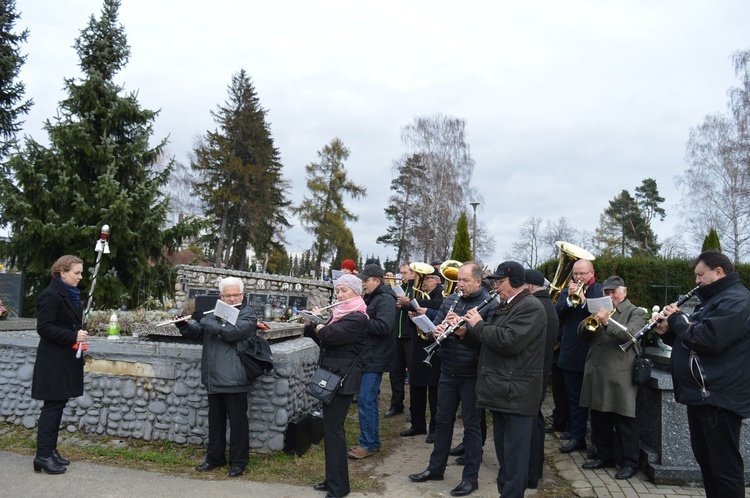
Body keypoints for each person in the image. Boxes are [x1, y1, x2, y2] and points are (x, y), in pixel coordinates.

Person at [653, 251, 750, 498]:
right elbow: (691, 340)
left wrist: (677, 319)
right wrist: (667, 331)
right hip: (703, 394)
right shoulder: (715, 299)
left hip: (719, 396)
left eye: (700, 274)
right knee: (707, 463)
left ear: (718, 272)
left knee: (724, 468)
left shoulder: (736, 300)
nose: (696, 281)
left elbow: (709, 339)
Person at [408, 261, 497, 497]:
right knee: (442, 421)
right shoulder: (450, 300)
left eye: (465, 280)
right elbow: (435, 325)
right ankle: (435, 468)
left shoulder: (489, 304)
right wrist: (435, 330)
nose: (460, 285)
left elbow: (488, 342)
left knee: (472, 426)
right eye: (459, 280)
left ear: (478, 281)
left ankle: (471, 479)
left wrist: (464, 332)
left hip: (472, 373)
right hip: (447, 370)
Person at [459, 261, 547, 498]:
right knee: (505, 457)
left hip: (517, 393)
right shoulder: (506, 305)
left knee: (515, 459)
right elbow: (489, 342)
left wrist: (478, 325)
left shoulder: (531, 307)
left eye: (501, 282)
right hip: (502, 391)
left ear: (517, 283)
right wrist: (465, 333)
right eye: (495, 282)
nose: (496, 286)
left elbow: (509, 341)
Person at [176, 276, 257, 477]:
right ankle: (215, 458)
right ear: (221, 296)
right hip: (213, 377)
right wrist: (183, 325)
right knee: (215, 422)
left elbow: (230, 333)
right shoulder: (215, 314)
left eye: (235, 294)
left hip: (235, 377)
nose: (232, 298)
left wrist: (203, 319)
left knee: (238, 423)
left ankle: (238, 462)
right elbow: (198, 333)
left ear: (243, 295)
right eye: (227, 295)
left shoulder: (248, 314)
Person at [578, 276, 646, 480]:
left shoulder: (636, 312)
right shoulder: (600, 310)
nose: (610, 296)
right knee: (599, 418)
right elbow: (581, 333)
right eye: (606, 292)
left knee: (624, 420)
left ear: (623, 292)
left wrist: (608, 322)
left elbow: (632, 335)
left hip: (620, 375)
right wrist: (591, 320)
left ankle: (630, 462)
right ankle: (603, 456)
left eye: (613, 292)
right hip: (597, 372)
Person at [305, 274, 367, 498]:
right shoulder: (339, 315)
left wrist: (320, 323)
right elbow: (323, 340)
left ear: (356, 293)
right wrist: (312, 324)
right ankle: (333, 480)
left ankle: (338, 488)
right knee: (331, 430)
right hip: (331, 375)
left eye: (344, 291)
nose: (339, 295)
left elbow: (330, 336)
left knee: (333, 431)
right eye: (337, 291)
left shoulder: (358, 317)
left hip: (342, 379)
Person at [31, 255, 89, 474]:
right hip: (53, 360)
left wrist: (77, 334)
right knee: (52, 408)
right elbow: (44, 328)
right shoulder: (50, 295)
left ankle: (50, 451)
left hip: (64, 359)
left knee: (58, 406)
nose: (80, 277)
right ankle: (43, 457)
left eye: (81, 273)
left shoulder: (69, 294)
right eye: (77, 273)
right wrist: (73, 335)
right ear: (63, 272)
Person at [348, 264, 397, 460]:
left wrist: (360, 318)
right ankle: (372, 441)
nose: (363, 284)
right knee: (368, 400)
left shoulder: (385, 299)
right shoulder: (373, 297)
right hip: (369, 355)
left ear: (377, 280)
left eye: (365, 281)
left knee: (365, 400)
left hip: (376, 356)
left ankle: (367, 443)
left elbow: (383, 326)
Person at [555, 258, 602, 453]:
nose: (578, 277)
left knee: (594, 401)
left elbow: (602, 314)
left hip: (591, 353)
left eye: (582, 273)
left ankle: (597, 443)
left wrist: (583, 302)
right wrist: (568, 299)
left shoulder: (598, 290)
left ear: (592, 273)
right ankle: (577, 436)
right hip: (570, 351)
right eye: (575, 273)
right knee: (574, 398)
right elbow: (556, 313)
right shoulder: (567, 290)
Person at [524, 269, 559, 489]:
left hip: (532, 374)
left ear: (528, 287)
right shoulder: (548, 305)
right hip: (539, 373)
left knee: (532, 425)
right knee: (535, 422)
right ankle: (533, 471)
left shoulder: (538, 307)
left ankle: (531, 473)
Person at [402, 265, 443, 443]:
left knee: (434, 390)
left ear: (436, 280)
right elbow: (413, 319)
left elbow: (440, 308)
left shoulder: (442, 295)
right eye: (423, 278)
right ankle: (418, 424)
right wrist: (411, 313)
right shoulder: (419, 296)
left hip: (435, 347)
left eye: (427, 278)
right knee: (416, 386)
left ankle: (435, 428)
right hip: (418, 345)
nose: (423, 282)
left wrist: (414, 304)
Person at [386, 263, 414, 419]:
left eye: (405, 273)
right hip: (396, 335)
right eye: (401, 272)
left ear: (413, 273)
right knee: (395, 372)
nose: (402, 275)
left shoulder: (416, 289)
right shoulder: (399, 288)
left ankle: (414, 409)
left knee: (413, 374)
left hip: (410, 337)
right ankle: (396, 404)